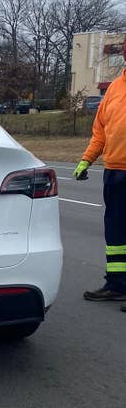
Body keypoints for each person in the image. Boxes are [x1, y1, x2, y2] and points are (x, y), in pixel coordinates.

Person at [73, 36, 126, 310]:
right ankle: (117, 285)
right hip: (115, 173)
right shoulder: (115, 89)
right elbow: (101, 132)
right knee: (116, 234)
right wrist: (86, 160)